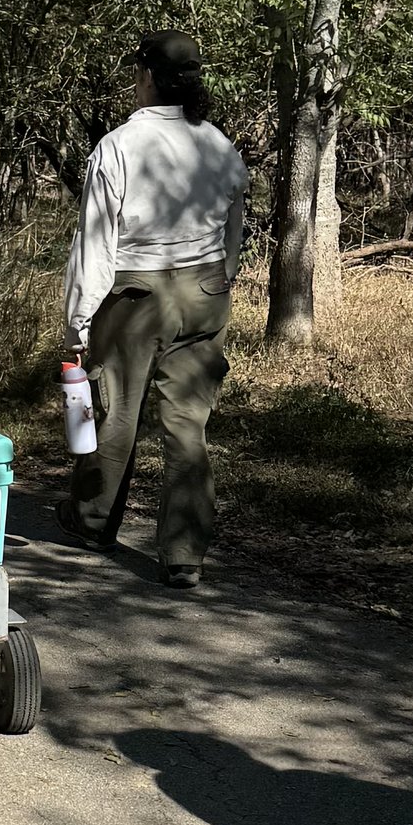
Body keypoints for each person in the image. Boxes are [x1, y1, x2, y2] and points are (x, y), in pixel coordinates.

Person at [54, 29, 250, 589]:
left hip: (135, 294)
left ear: (145, 77)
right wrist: (223, 275)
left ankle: (93, 521)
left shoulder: (118, 146)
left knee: (115, 411)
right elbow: (235, 222)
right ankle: (184, 553)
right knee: (188, 423)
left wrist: (77, 321)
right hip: (205, 291)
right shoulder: (217, 143)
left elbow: (96, 244)